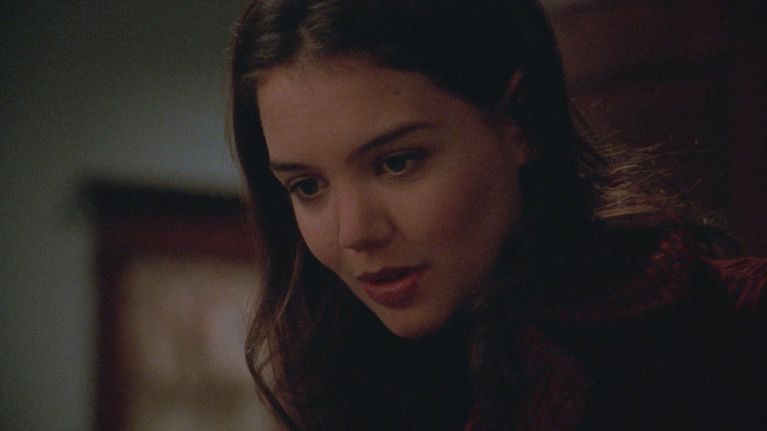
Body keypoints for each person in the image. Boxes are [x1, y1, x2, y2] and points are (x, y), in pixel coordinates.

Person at [227, 1, 767, 429]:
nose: (354, 233)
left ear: (520, 122)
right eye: (306, 186)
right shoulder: (332, 383)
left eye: (397, 163)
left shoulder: (730, 332)